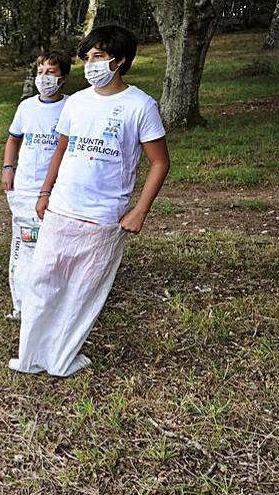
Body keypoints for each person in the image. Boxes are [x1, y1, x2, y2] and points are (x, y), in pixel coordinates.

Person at [9, 25, 170, 377]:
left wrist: (140, 210)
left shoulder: (141, 106)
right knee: (42, 281)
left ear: (120, 60)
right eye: (88, 57)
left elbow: (160, 162)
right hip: (61, 208)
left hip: (103, 217)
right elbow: (61, 150)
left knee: (82, 293)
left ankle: (61, 359)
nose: (91, 64)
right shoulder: (78, 102)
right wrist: (45, 192)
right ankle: (30, 356)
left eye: (98, 57)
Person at [2, 51, 71, 321]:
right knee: (24, 247)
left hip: (57, 190)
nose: (44, 78)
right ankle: (21, 305)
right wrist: (8, 168)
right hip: (25, 189)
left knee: (53, 247)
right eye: (40, 72)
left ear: (62, 78)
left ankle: (53, 303)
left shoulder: (71, 106)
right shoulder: (26, 107)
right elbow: (13, 139)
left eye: (51, 72)